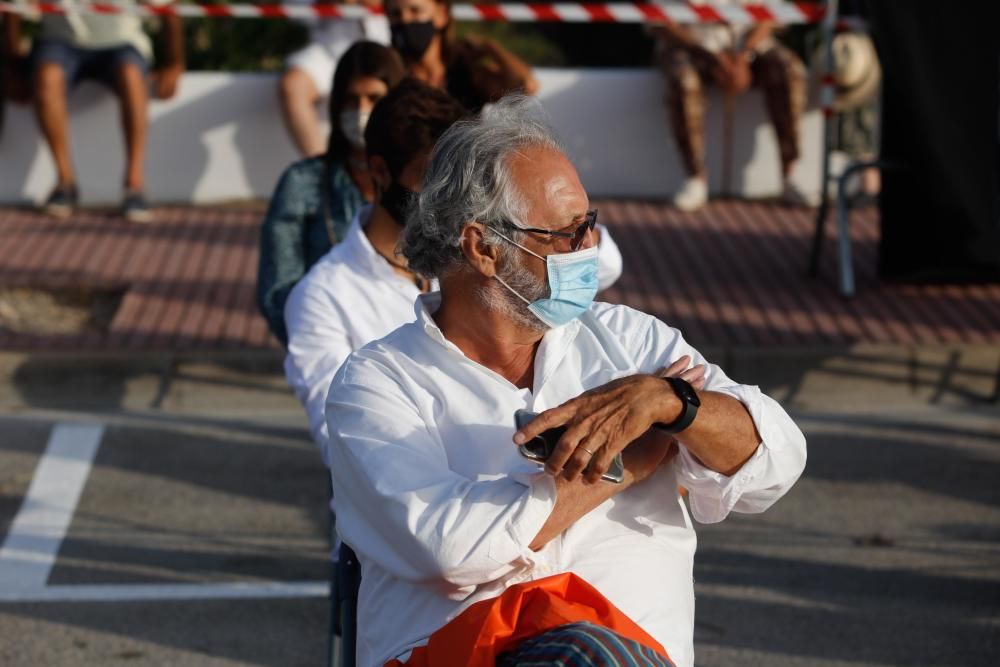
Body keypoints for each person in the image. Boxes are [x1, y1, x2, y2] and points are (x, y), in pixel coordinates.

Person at [325, 96, 807, 667]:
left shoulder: (632, 344)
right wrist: (626, 463)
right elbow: (449, 549)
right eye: (568, 234)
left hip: (638, 657)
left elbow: (775, 464)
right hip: (467, 655)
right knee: (581, 651)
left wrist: (674, 404)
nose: (589, 249)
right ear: (483, 247)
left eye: (590, 225)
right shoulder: (378, 383)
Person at [284, 81, 625, 464]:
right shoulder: (323, 296)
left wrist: (551, 230)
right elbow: (348, 442)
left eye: (469, 181)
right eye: (431, 179)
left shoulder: (488, 250)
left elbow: (598, 257)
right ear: (380, 172)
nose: (452, 195)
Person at [257, 41, 405, 347]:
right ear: (336, 104)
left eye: (374, 98)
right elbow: (278, 289)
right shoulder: (303, 183)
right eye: (351, 100)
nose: (361, 111)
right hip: (330, 352)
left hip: (411, 351)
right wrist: (320, 341)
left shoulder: (421, 181)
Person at [1, 0, 184, 222]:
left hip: (121, 43)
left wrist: (175, 63)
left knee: (133, 78)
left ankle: (134, 186)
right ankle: (64, 183)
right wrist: (12, 64)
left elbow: (168, 7)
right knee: (47, 77)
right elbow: (14, 6)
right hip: (60, 41)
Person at [653, 9, 810, 211]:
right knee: (684, 81)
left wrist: (743, 55)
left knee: (790, 70)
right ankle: (695, 178)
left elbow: (772, 16)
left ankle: (791, 173)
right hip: (690, 46)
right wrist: (713, 56)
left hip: (748, 49)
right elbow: (660, 22)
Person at [279, 0, 390, 157]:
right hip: (331, 50)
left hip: (390, 46)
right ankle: (323, 172)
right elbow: (294, 9)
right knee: (293, 86)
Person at [384, 0, 538, 111]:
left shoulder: (464, 70)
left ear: (441, 14)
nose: (405, 20)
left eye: (415, 11)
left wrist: (490, 47)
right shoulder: (386, 70)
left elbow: (525, 84)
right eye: (395, 13)